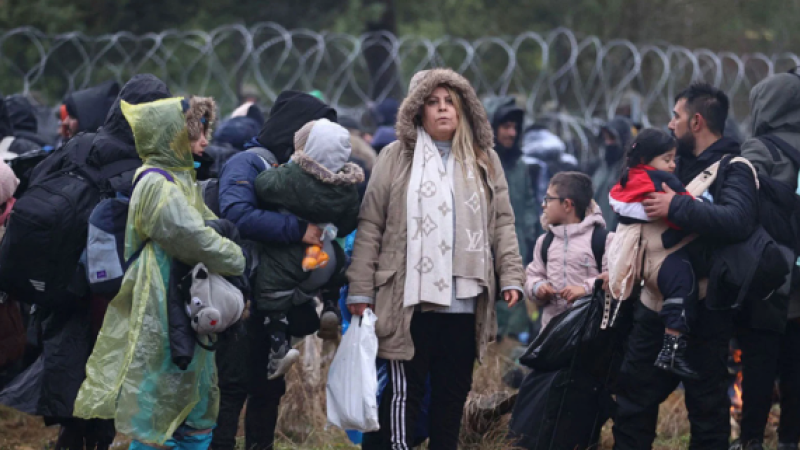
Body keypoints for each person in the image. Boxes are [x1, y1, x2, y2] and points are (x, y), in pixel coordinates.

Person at [346, 68, 525, 449]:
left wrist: (511, 275)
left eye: (450, 101)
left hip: (465, 301)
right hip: (409, 299)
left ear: (464, 108)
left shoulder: (484, 159)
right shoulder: (395, 157)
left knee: (451, 395)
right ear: (417, 110)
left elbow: (502, 223)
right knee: (404, 393)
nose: (443, 109)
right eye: (432, 102)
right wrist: (360, 289)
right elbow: (371, 225)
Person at [0, 74, 174, 450]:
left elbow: (35, 183)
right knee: (104, 385)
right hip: (110, 292)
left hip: (59, 280)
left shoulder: (80, 144)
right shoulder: (146, 167)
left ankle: (71, 436)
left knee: (70, 377)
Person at [72, 96, 246, 449]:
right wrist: (235, 257)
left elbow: (202, 226)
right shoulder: (157, 184)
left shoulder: (179, 179)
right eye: (197, 133)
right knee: (161, 396)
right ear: (174, 136)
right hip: (161, 297)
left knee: (191, 395)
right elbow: (191, 237)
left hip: (180, 295)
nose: (205, 141)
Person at [612, 83, 759, 450]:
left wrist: (675, 207)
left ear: (696, 121)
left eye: (675, 116)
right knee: (633, 398)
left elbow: (738, 219)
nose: (670, 123)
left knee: (707, 410)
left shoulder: (735, 168)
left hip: (705, 311)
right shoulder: (666, 163)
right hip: (653, 306)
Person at [212, 90, 337, 450]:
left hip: (275, 301)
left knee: (267, 391)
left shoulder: (297, 174)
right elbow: (236, 213)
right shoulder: (247, 163)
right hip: (242, 298)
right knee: (233, 389)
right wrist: (298, 230)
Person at [253, 118, 362, 379]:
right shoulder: (347, 190)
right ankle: (331, 307)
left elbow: (263, 185)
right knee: (334, 272)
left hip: (291, 254)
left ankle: (279, 347)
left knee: (271, 293)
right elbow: (348, 225)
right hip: (327, 254)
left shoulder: (293, 177)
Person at [736, 71, 800, 450]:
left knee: (758, 366)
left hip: (769, 275)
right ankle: (790, 440)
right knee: (796, 367)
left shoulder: (760, 148)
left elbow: (743, 205)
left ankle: (751, 441)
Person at [607, 129, 699, 379]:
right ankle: (672, 349)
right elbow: (685, 210)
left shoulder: (627, 178)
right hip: (664, 256)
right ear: (645, 159)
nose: (672, 165)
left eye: (673, 159)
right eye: (666, 159)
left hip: (634, 258)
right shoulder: (662, 181)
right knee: (684, 287)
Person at [524, 172, 613, 330]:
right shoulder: (545, 242)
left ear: (567, 205)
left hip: (590, 332)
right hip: (552, 333)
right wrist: (538, 287)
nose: (543, 205)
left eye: (548, 199)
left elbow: (615, 279)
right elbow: (532, 275)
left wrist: (585, 290)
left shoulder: (603, 240)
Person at [593, 116, 635, 231]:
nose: (608, 143)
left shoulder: (629, 171)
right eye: (606, 138)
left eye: (612, 138)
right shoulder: (601, 168)